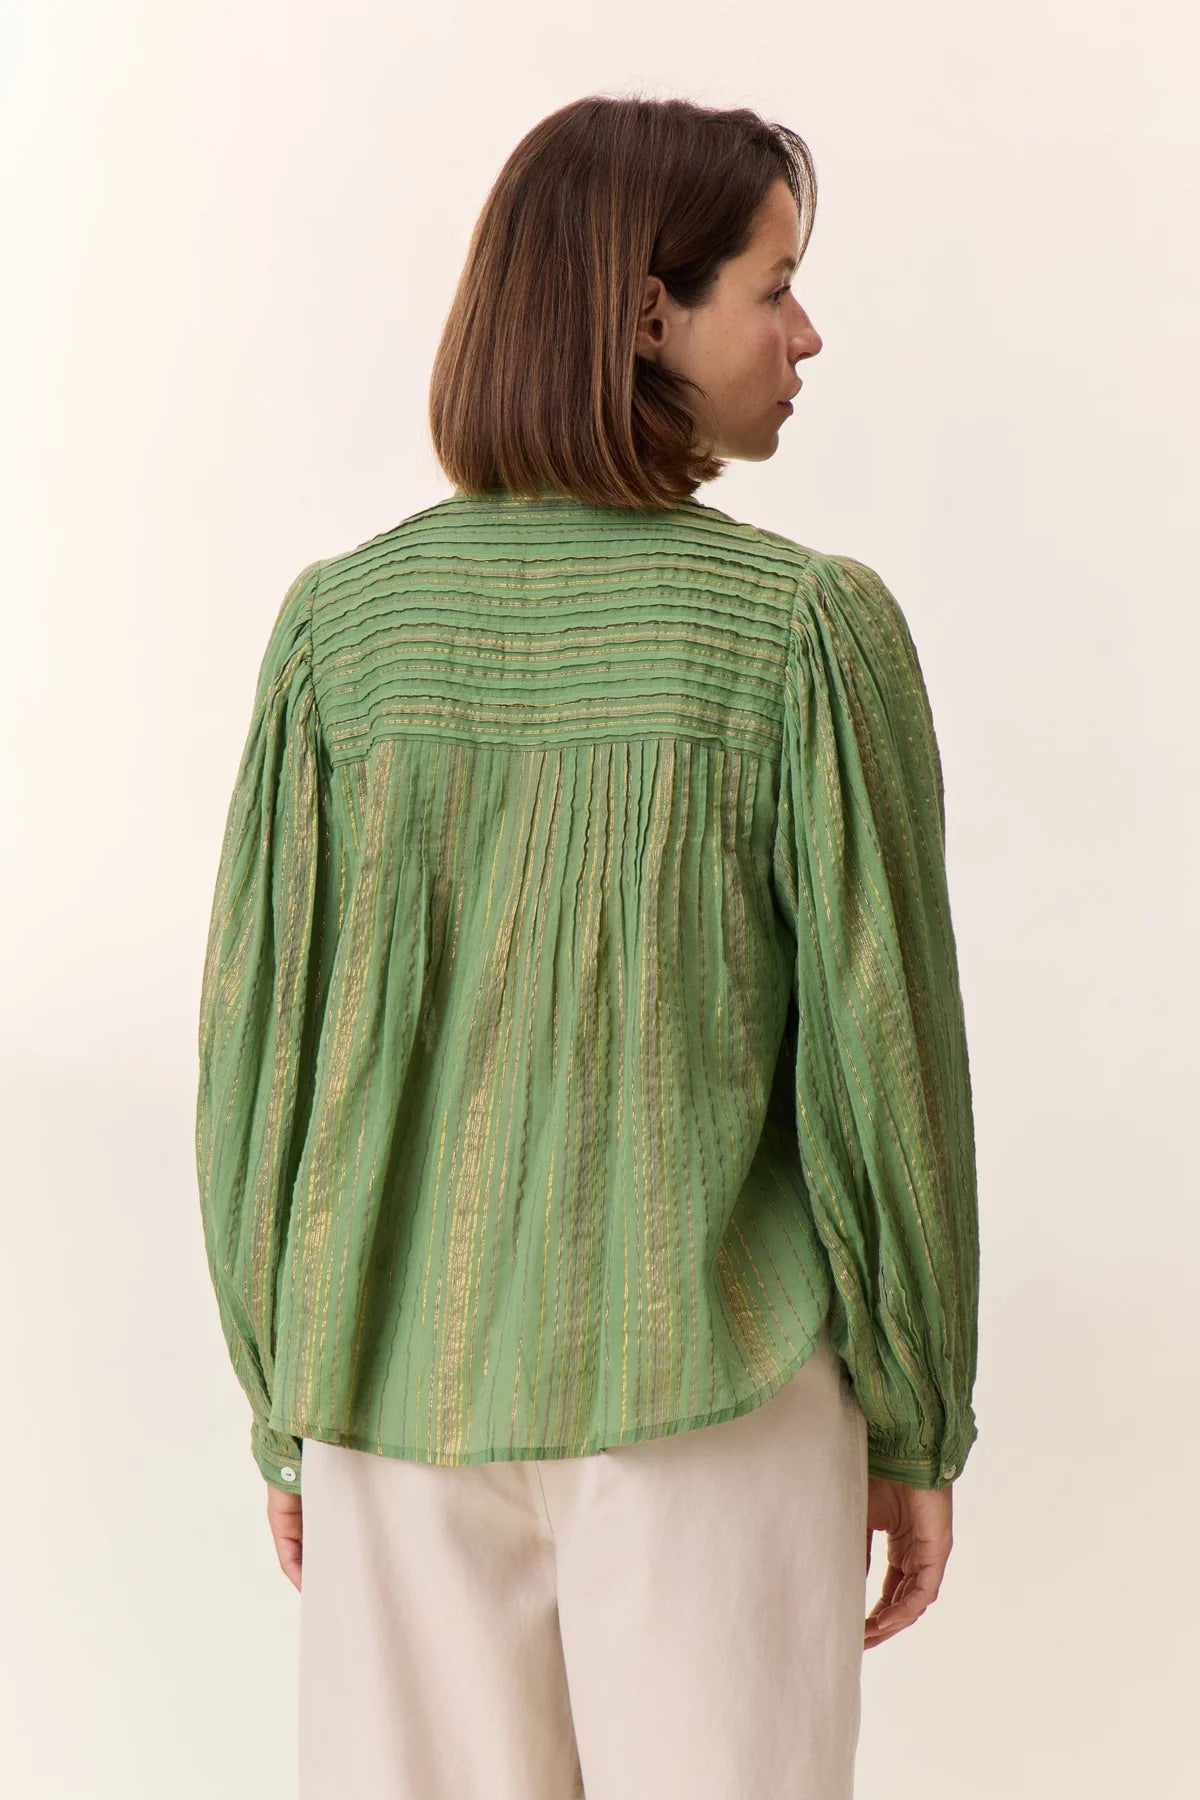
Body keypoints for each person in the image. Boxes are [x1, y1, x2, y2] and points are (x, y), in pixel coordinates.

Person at [195, 92, 980, 1800]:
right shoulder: (801, 635)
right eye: (775, 286)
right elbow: (886, 1065)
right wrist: (918, 1415)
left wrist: (284, 1391)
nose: (807, 333)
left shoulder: (339, 635)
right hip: (717, 1399)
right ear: (646, 313)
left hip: (394, 1396)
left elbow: (258, 1060)